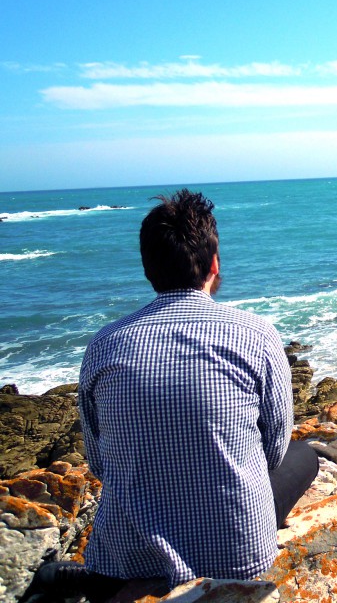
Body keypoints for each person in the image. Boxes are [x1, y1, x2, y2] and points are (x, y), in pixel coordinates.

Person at [74, 189, 319, 592]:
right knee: (303, 454)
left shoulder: (104, 345)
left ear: (148, 268)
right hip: (235, 557)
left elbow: (100, 464)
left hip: (126, 560)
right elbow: (273, 452)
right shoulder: (256, 335)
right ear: (214, 264)